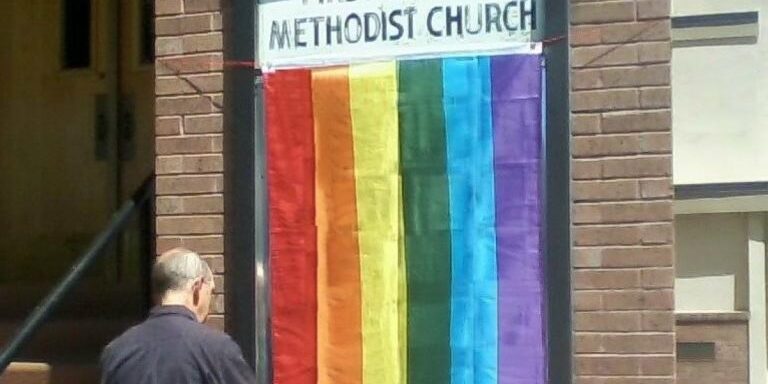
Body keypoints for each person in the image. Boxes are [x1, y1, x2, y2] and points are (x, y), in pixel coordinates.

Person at [100, 247, 256, 383]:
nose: (212, 304)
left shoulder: (116, 351)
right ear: (197, 287)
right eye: (211, 292)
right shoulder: (217, 349)